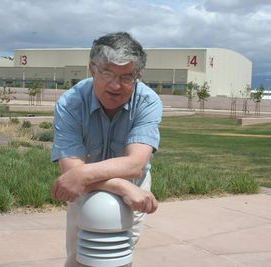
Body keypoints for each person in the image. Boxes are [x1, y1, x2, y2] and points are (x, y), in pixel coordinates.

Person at [50, 32, 163, 267]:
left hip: (132, 184)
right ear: (92, 69)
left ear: (138, 76)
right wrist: (121, 185)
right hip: (94, 188)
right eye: (107, 73)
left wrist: (82, 174)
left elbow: (135, 165)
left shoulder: (148, 102)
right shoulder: (70, 104)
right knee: (78, 255)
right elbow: (72, 173)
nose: (115, 85)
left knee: (119, 256)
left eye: (126, 76)